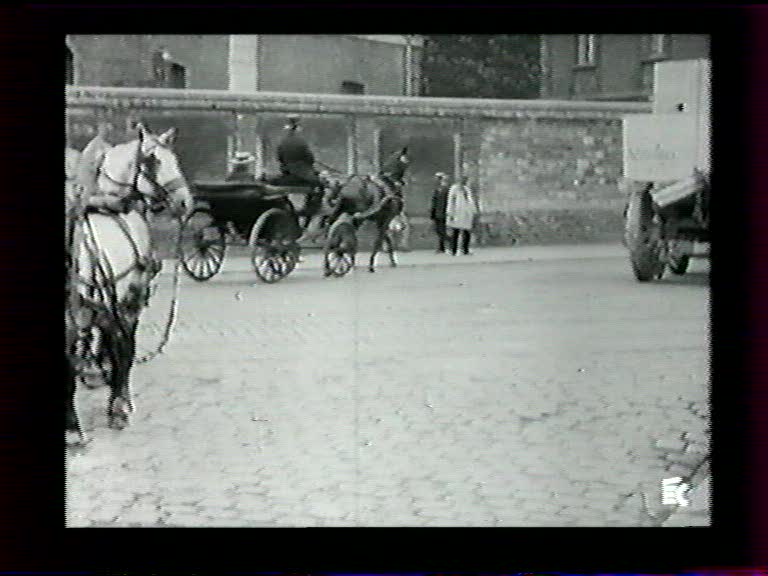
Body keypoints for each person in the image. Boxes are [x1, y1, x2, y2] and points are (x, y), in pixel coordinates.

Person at [75, 121, 115, 209]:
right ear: (100, 131)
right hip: (90, 174)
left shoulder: (105, 144)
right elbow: (96, 161)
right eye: (105, 131)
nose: (107, 133)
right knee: (86, 195)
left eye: (109, 131)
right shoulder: (96, 144)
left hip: (93, 173)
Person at [446, 174, 480, 256]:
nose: (464, 182)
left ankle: (465, 249)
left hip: (466, 213)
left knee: (467, 232)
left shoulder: (467, 189)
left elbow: (470, 201)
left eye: (465, 181)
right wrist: (450, 212)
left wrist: (474, 211)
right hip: (457, 212)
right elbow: (451, 201)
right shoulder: (454, 189)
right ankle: (453, 250)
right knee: (455, 232)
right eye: (462, 180)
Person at [430, 172, 450, 253]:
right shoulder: (437, 190)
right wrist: (432, 213)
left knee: (442, 231)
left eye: (437, 178)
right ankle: (443, 246)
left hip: (444, 213)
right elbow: (434, 202)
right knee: (438, 231)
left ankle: (447, 244)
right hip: (437, 213)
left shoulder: (447, 189)